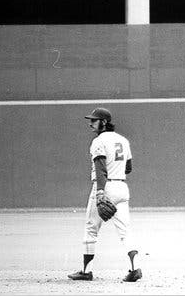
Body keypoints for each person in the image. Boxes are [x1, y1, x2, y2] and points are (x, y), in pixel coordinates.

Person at [68, 107, 142, 282]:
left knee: (91, 228)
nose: (90, 124)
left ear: (104, 122)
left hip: (104, 187)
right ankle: (135, 268)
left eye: (94, 120)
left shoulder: (98, 141)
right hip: (122, 188)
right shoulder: (123, 140)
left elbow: (100, 169)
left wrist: (101, 192)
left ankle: (86, 271)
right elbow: (128, 168)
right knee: (125, 231)